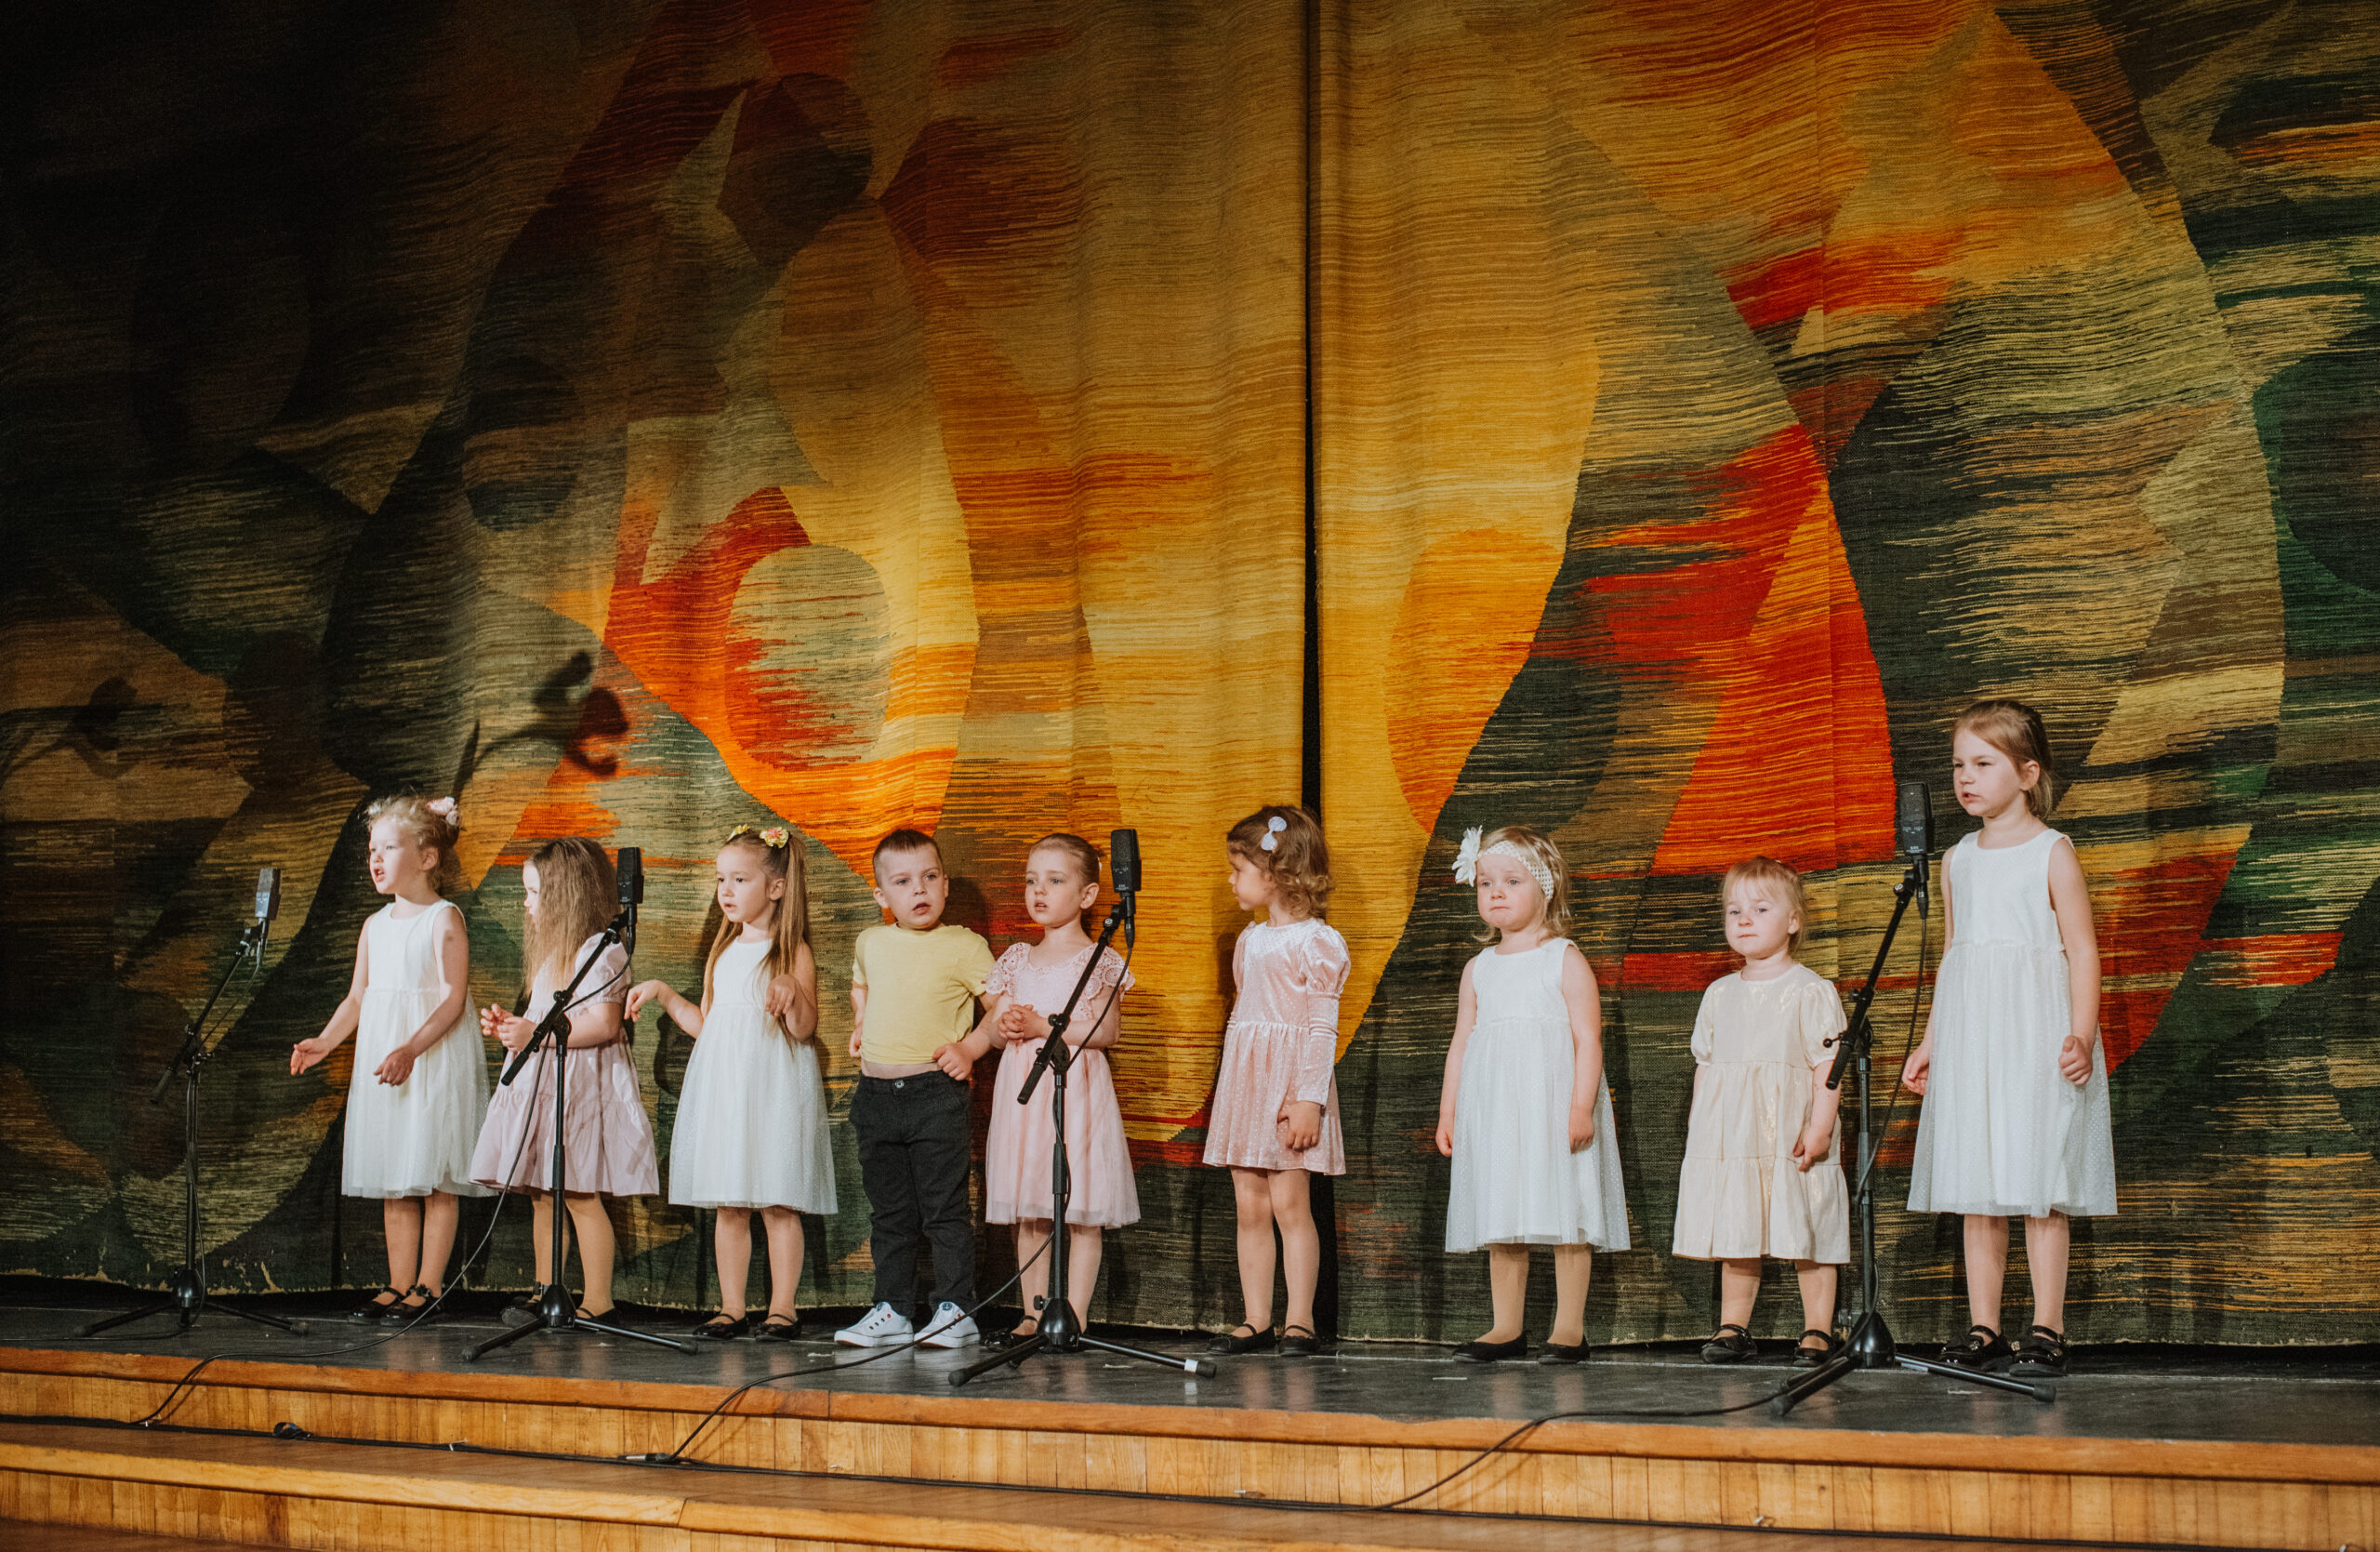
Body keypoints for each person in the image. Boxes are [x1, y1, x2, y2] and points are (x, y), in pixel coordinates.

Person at [1902, 698, 2116, 1379]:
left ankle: (2048, 1327)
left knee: (2038, 1179)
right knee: (1978, 1183)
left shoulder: (2052, 852)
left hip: (2034, 1032)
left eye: (1983, 763)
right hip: (1975, 1036)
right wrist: (1933, 1041)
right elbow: (1955, 956)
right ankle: (1985, 1327)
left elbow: (2082, 950)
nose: (1966, 777)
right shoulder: (1957, 859)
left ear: (2027, 773)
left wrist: (2080, 1033)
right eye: (1958, 765)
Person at [628, 824, 836, 1340]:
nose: (726, 890)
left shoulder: (791, 952)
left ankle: (783, 1308)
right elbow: (709, 1025)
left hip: (773, 1092)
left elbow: (804, 1029)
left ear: (776, 887)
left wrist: (791, 990)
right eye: (721, 879)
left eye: (740, 879)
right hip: (727, 1092)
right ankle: (732, 1307)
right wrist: (663, 993)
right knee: (731, 1203)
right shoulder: (722, 952)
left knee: (778, 1202)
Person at [291, 795, 490, 1321]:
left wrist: (410, 1048)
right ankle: (399, 1282)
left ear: (427, 857)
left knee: (435, 1172)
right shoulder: (374, 925)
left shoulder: (444, 919)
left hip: (430, 1059)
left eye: (389, 848)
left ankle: (429, 1285)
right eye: (371, 850)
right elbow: (358, 997)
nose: (375, 859)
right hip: (389, 1065)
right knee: (395, 1174)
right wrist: (326, 1041)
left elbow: (452, 999)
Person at [934, 834, 1139, 1346]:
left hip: (1076, 1091)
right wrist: (996, 1033)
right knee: (1030, 1208)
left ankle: (1075, 1316)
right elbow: (996, 1025)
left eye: (1054, 880)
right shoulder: (1017, 959)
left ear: (1087, 895)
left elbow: (1106, 1030)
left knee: (1080, 1209)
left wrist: (1042, 1025)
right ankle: (1033, 1312)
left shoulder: (1099, 958)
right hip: (1025, 1093)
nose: (1038, 891)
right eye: (1031, 880)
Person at [1435, 825, 1629, 1362]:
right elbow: (1462, 1042)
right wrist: (1450, 1112)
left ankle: (1569, 1328)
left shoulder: (1563, 958)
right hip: (1496, 1111)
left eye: (1512, 881)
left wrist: (1581, 1107)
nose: (1495, 892)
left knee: (1569, 1209)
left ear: (1546, 888)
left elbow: (1587, 1038)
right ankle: (1506, 1327)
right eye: (1485, 883)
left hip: (1553, 1107)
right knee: (1502, 1210)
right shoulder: (1479, 969)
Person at [469, 837, 657, 1322]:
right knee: (542, 1192)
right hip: (547, 1083)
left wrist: (536, 1032)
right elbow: (544, 1018)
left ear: (566, 896)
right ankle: (546, 1290)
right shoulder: (555, 952)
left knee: (578, 1192)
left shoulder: (601, 950)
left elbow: (605, 1024)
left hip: (580, 1086)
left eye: (533, 893)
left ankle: (599, 1301)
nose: (526, 903)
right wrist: (514, 1029)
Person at [1672, 856, 1848, 1366]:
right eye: (1734, 911)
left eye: (1760, 909)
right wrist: (1701, 1128)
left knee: (1808, 1223)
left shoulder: (1810, 990)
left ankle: (1817, 1329)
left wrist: (1820, 1127)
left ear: (1793, 921)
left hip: (1792, 1134)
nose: (1744, 920)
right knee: (1738, 1223)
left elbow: (1827, 1066)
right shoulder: (1719, 993)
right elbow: (1707, 1067)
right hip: (1733, 1138)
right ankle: (1734, 1325)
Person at [834, 829, 995, 1348]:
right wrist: (861, 1022)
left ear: (945, 884)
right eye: (902, 882)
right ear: (882, 895)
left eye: (929, 877)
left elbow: (1002, 1010)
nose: (918, 890)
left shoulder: (965, 945)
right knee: (890, 1214)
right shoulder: (871, 941)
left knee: (945, 1210)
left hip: (934, 1094)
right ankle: (893, 1308)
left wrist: (969, 1049)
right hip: (875, 1097)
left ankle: (955, 1309)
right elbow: (861, 985)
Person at [1203, 805, 1347, 1356]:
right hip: (1249, 1083)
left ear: (1276, 872)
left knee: (1291, 1206)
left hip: (1290, 1086)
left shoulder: (1318, 943)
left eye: (1239, 869)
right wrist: (1234, 1093)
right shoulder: (1251, 940)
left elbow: (1321, 1028)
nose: (1231, 880)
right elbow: (1245, 1016)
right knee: (1250, 1206)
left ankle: (1300, 1320)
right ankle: (1256, 1318)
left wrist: (1308, 1098)